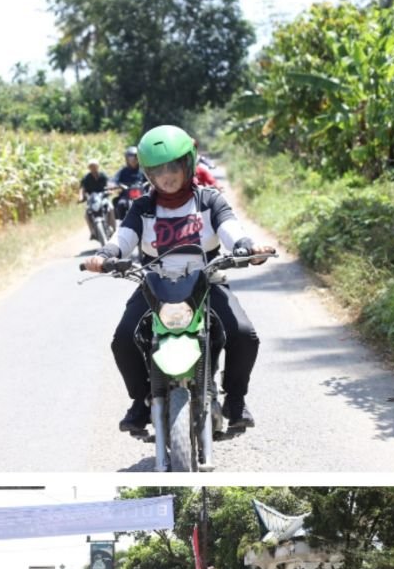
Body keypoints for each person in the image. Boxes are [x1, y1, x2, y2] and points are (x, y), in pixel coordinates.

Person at [83, 124, 275, 433]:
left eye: (173, 166)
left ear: (188, 163)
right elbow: (124, 237)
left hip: (205, 280)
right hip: (155, 284)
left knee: (243, 333)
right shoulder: (143, 207)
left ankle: (235, 399)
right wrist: (105, 254)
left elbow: (231, 229)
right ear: (148, 173)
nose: (167, 176)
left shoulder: (209, 200)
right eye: (157, 170)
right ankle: (140, 401)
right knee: (123, 339)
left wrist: (247, 248)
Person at [78, 159, 116, 239]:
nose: (93, 168)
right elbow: (82, 188)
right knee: (86, 214)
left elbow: (108, 183)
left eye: (94, 166)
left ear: (98, 166)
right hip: (92, 200)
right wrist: (81, 197)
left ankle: (113, 227)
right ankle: (92, 232)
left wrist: (110, 189)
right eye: (91, 166)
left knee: (111, 208)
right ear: (89, 168)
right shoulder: (86, 178)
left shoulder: (103, 175)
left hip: (103, 197)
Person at [111, 146, 148, 220]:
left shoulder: (144, 169)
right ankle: (121, 223)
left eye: (135, 157)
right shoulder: (123, 171)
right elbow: (114, 180)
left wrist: (150, 182)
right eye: (130, 158)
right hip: (127, 196)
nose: (133, 160)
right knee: (121, 204)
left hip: (142, 194)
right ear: (127, 159)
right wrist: (113, 184)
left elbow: (151, 177)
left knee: (153, 203)